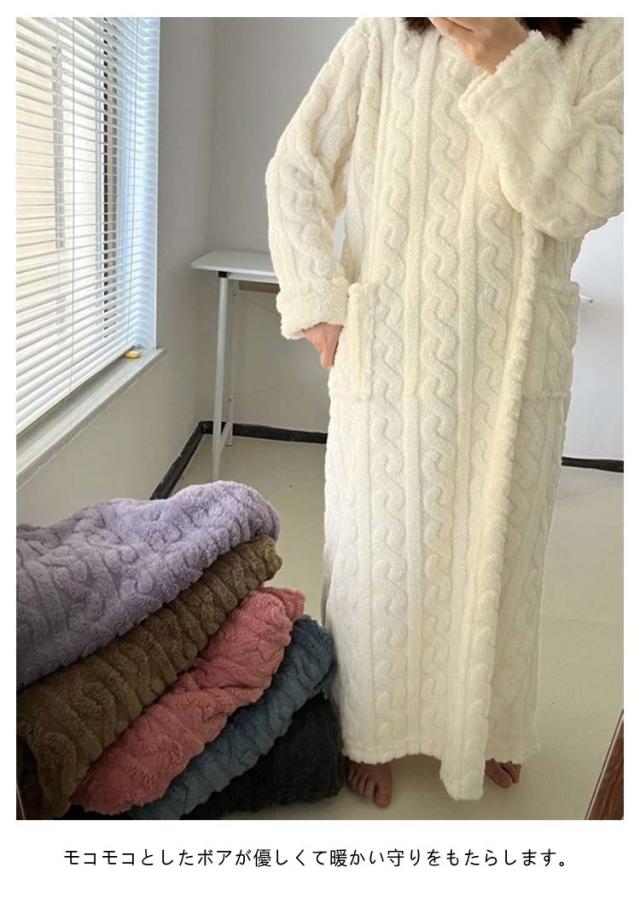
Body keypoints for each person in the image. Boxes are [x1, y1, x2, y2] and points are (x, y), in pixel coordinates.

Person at [265, 17, 623, 807]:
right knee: (380, 552)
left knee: (505, 556)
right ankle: (369, 728)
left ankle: (486, 723)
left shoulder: (598, 39)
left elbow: (585, 196)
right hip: (395, 347)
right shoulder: (386, 31)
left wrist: (510, 60)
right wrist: (318, 300)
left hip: (514, 364)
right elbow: (298, 164)